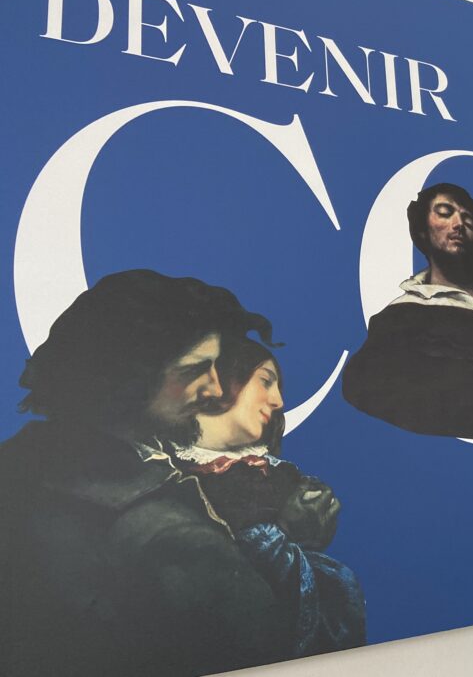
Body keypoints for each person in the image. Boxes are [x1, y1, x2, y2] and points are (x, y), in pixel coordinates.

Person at [0, 269, 307, 676]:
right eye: (194, 371)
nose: (216, 390)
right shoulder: (163, 531)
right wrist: (284, 548)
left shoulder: (21, 458)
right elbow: (270, 647)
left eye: (215, 367)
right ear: (128, 381)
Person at [174, 335, 366, 658]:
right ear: (223, 379)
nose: (277, 400)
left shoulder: (284, 476)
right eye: (266, 381)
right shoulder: (165, 475)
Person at [343, 182, 473, 442]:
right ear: (423, 231)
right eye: (445, 213)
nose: (458, 224)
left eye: (467, 218)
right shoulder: (406, 312)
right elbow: (364, 383)